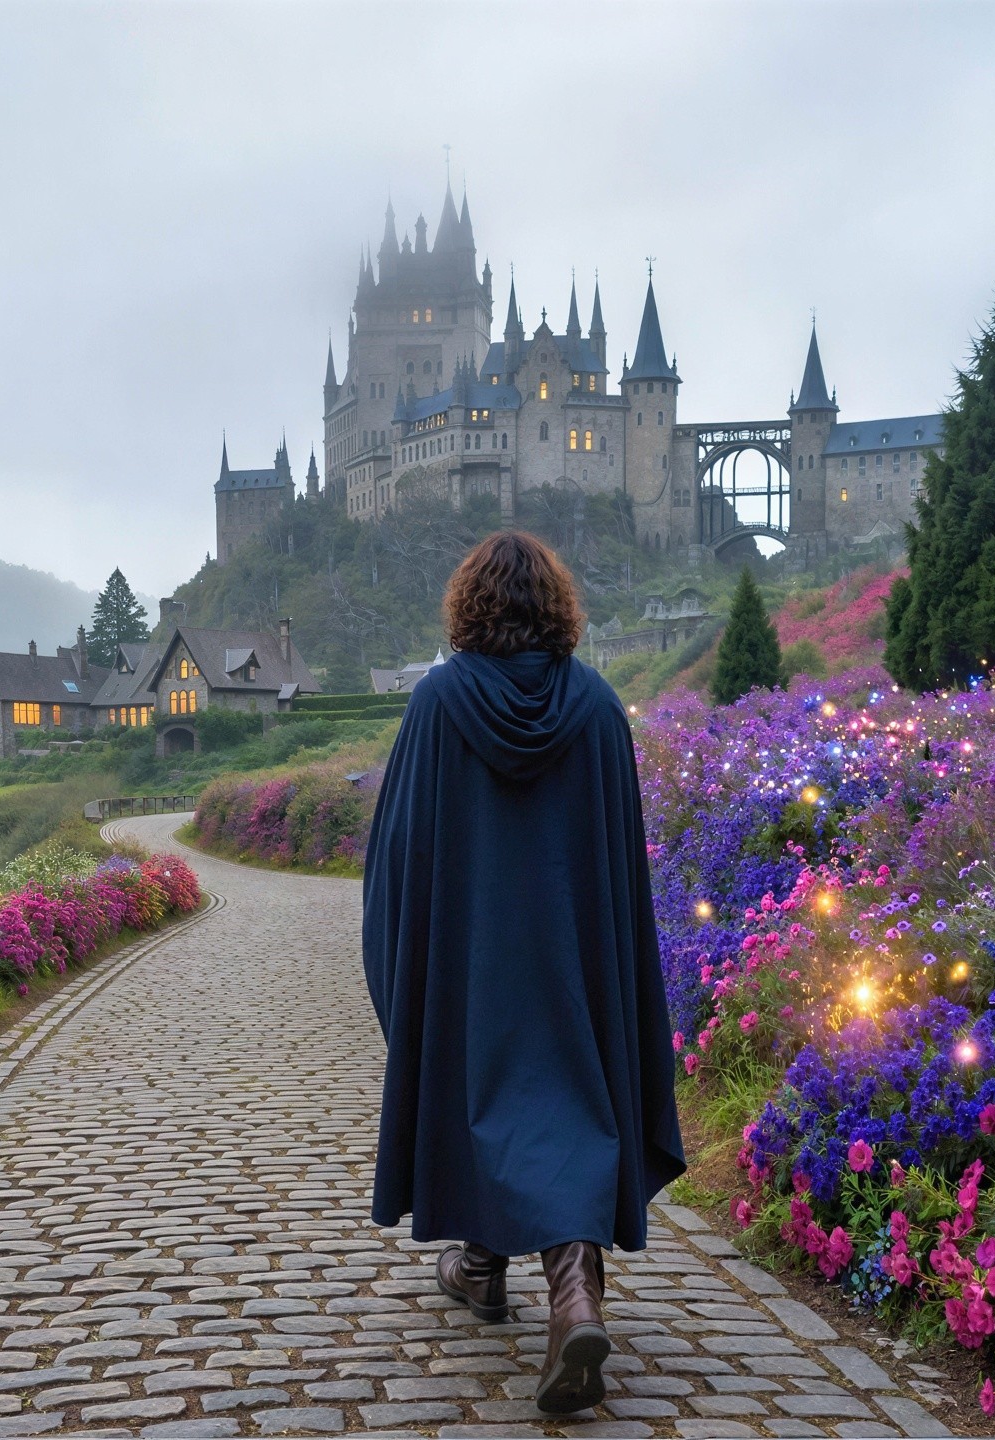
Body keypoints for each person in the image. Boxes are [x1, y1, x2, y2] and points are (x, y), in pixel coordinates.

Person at [360, 531, 684, 1415]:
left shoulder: (437, 704)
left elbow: (400, 854)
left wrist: (405, 961)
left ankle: (523, 1282)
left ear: (470, 607)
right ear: (558, 609)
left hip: (472, 968)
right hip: (574, 971)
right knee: (566, 1108)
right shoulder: (599, 708)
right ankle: (537, 1282)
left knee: (479, 1093)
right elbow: (622, 873)